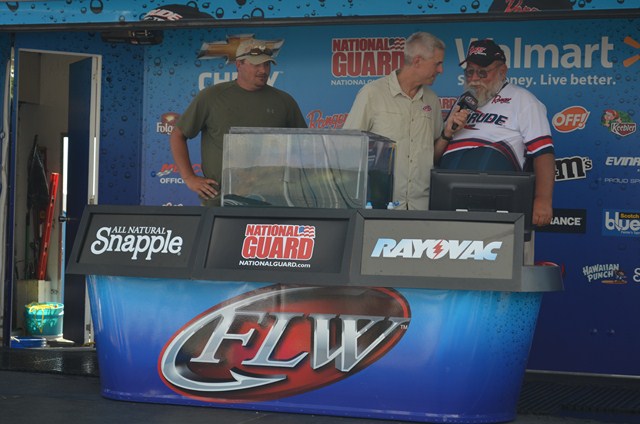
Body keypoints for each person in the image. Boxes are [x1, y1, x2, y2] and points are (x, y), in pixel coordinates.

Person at [170, 39, 307, 206]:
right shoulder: (211, 97)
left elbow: (304, 146)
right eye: (256, 64)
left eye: (267, 64)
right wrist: (189, 177)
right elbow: (178, 134)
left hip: (273, 200)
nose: (263, 70)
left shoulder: (285, 101)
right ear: (239, 64)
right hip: (220, 201)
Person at [343, 32, 469, 210]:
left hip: (421, 208)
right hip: (381, 208)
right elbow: (347, 147)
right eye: (437, 63)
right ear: (417, 61)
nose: (441, 70)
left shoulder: (431, 100)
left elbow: (431, 156)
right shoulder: (372, 93)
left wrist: (447, 134)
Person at [438, 38, 555, 228]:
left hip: (497, 206)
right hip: (448, 204)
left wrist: (543, 199)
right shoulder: (462, 102)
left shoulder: (523, 100)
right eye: (469, 72)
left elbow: (543, 153)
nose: (474, 78)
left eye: (482, 72)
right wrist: (447, 133)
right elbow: (435, 155)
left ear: (502, 71)